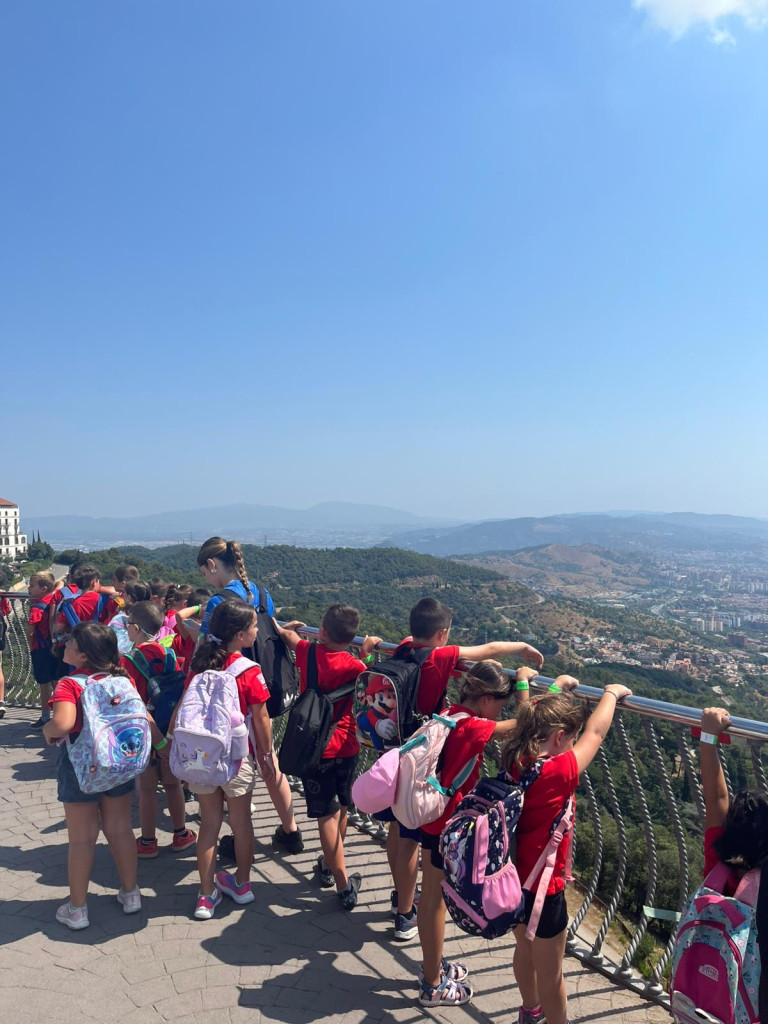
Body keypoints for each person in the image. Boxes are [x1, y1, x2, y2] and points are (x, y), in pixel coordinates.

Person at [382, 597, 545, 943]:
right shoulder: (445, 668)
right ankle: (410, 923)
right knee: (434, 891)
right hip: (441, 811)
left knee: (401, 832)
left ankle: (402, 901)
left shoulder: (406, 650)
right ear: (442, 634)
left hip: (403, 756)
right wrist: (522, 678)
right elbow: (521, 723)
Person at [416, 663, 578, 1006]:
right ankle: (432, 982)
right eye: (499, 706)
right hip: (454, 825)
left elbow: (528, 726)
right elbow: (527, 726)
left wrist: (532, 687)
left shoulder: (448, 714)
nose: (500, 713)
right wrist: (550, 690)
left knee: (430, 895)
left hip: (438, 819)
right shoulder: (472, 727)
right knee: (432, 900)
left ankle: (434, 965)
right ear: (487, 699)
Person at [501, 680, 632, 1024]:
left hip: (509, 878)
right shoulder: (556, 771)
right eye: (571, 739)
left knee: (524, 950)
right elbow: (596, 733)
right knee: (551, 972)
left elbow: (532, 716)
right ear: (559, 737)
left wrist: (555, 689)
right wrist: (611, 694)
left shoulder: (514, 757)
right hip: (543, 889)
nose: (574, 745)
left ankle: (530, 1011)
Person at [196, 536, 303, 854]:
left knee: (239, 767)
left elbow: (204, 650)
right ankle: (290, 831)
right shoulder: (261, 592)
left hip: (234, 697)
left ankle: (242, 839)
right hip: (263, 688)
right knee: (269, 761)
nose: (207, 580)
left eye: (204, 573)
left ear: (212, 565)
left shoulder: (218, 603)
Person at [277, 605, 382, 910]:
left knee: (327, 815)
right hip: (347, 745)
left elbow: (286, 636)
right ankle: (331, 867)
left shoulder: (308, 652)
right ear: (351, 637)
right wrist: (366, 654)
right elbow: (367, 681)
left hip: (315, 748)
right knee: (342, 808)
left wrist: (282, 625)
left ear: (322, 631)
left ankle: (341, 882)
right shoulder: (356, 666)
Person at [41, 622, 141, 929]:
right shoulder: (121, 679)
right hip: (118, 763)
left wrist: (47, 730)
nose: (65, 645)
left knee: (82, 839)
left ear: (83, 655)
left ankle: (77, 909)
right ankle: (131, 894)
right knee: (120, 829)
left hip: (81, 767)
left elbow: (63, 724)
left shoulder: (69, 684)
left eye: (71, 642)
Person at [181, 600, 276, 920]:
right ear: (239, 635)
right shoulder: (248, 670)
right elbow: (261, 719)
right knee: (241, 822)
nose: (257, 630)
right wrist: (266, 756)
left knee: (209, 824)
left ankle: (206, 895)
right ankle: (242, 884)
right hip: (237, 758)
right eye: (253, 626)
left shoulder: (200, 663)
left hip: (201, 757)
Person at [120, 601, 196, 858]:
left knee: (147, 790)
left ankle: (148, 841)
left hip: (146, 732)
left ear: (135, 628)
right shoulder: (168, 653)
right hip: (170, 729)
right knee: (173, 785)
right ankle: (181, 834)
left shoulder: (129, 660)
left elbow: (132, 702)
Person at [27, 572, 58, 728]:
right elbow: (59, 584)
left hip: (40, 650)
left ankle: (45, 717)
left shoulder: (36, 608)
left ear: (43, 589)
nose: (28, 588)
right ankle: (59, 715)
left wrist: (30, 647)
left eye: (32, 586)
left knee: (44, 684)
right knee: (56, 682)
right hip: (54, 647)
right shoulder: (53, 600)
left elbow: (30, 632)